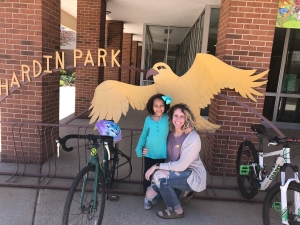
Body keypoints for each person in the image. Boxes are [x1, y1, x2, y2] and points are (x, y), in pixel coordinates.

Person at [145, 103, 207, 219]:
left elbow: (181, 166)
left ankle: (176, 210)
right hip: (174, 174)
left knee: (159, 176)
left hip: (191, 175)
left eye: (182, 116)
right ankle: (181, 193)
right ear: (171, 117)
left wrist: (156, 166)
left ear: (187, 118)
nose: (178, 119)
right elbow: (154, 136)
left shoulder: (193, 138)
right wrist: (144, 149)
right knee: (150, 196)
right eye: (175, 116)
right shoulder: (168, 133)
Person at [135, 93, 171, 210]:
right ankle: (146, 198)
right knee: (148, 177)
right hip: (149, 154)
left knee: (162, 178)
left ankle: (160, 196)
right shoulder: (148, 120)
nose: (159, 108)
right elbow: (144, 135)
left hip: (163, 154)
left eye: (161, 105)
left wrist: (190, 128)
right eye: (156, 105)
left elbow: (178, 124)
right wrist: (139, 149)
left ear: (165, 106)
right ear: (152, 106)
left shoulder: (167, 118)